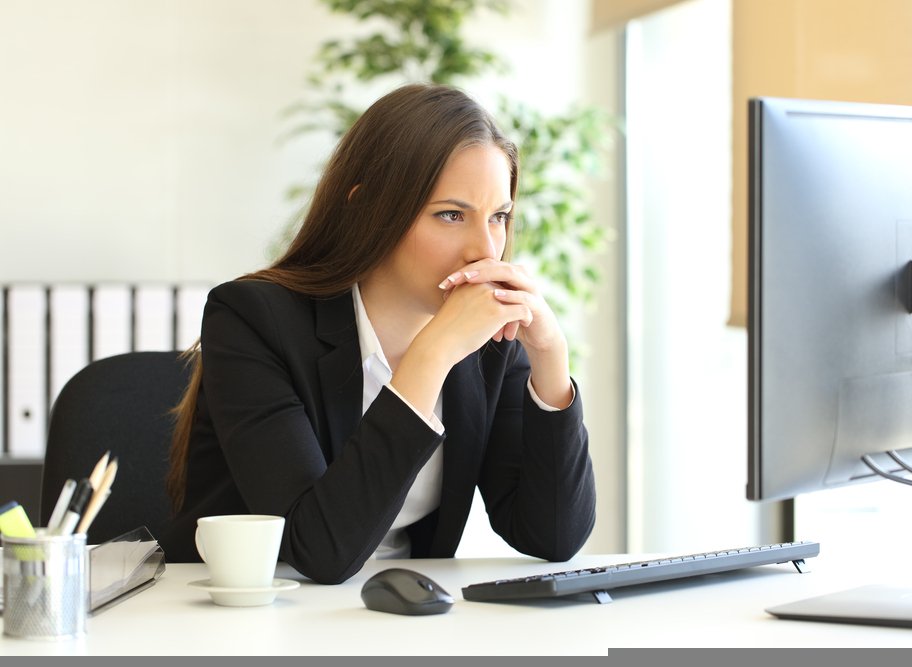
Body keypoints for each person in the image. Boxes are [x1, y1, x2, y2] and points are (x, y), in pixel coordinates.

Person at [160, 83, 597, 584]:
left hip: (392, 615)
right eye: (450, 215)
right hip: (245, 614)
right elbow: (317, 552)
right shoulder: (253, 319)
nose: (485, 250)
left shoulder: (490, 341)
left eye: (498, 217)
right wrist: (432, 354)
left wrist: (549, 357)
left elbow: (554, 536)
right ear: (368, 209)